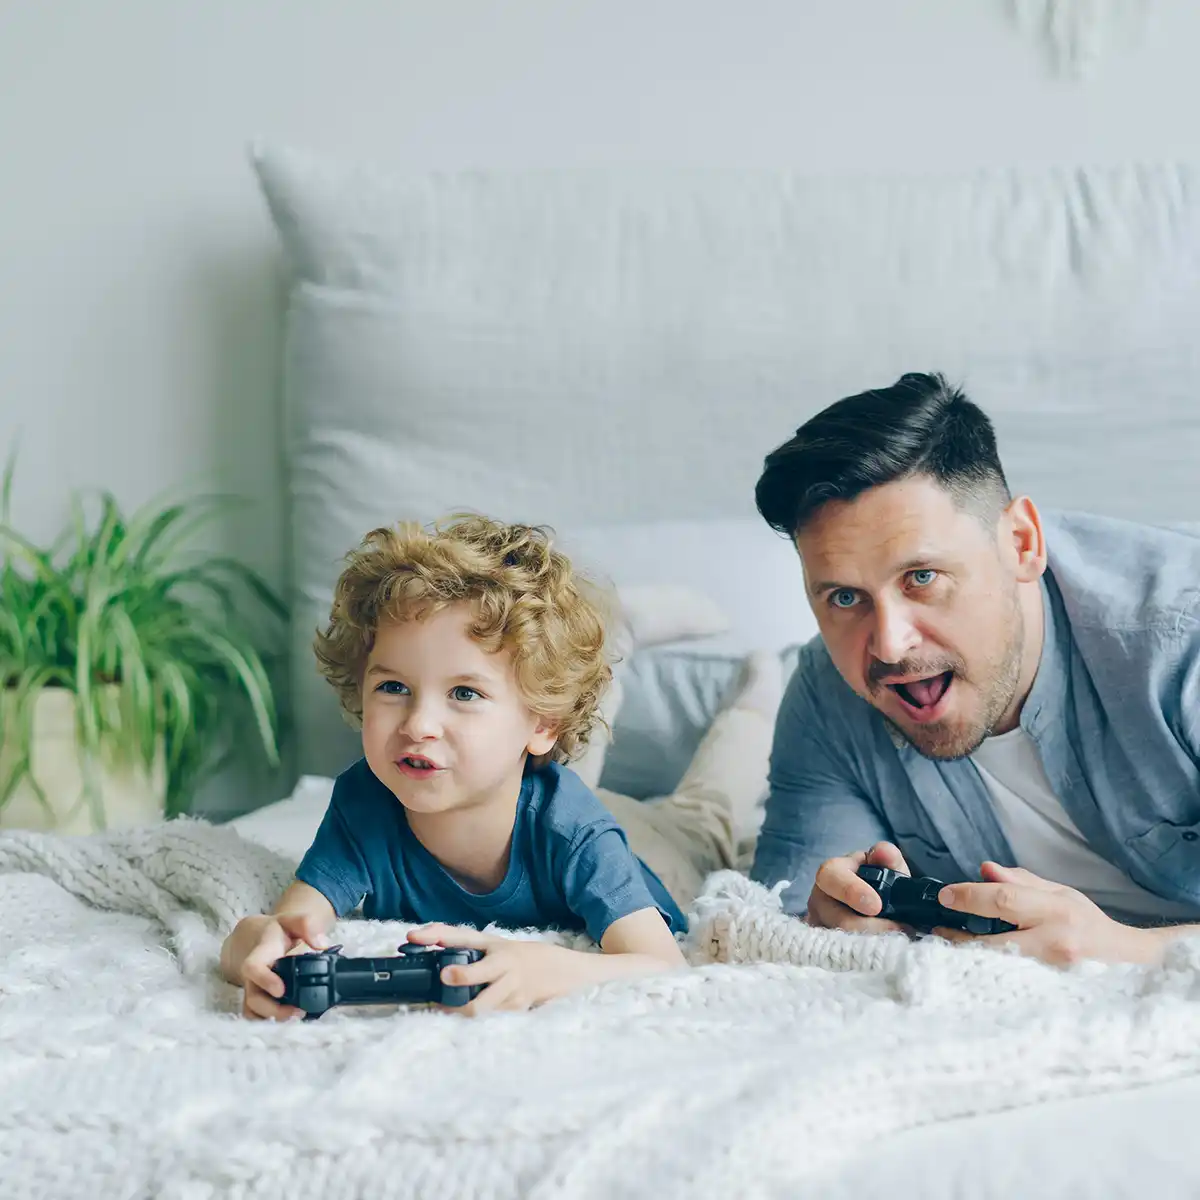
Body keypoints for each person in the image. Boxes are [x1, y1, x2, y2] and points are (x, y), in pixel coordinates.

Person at [220, 515, 781, 1019]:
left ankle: (756, 703)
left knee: (703, 816)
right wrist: (258, 948)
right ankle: (614, 635)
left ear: (543, 726)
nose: (419, 724)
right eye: (393, 687)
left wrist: (543, 968)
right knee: (543, 749)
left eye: (464, 693)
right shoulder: (366, 800)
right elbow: (279, 927)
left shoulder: (575, 831)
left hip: (655, 846)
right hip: (524, 789)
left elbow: (663, 966)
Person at [749, 371, 1200, 967]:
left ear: (1021, 542)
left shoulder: (1179, 637)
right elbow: (782, 930)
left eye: (922, 577)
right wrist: (836, 925)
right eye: (845, 597)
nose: (890, 646)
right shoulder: (827, 695)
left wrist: (1134, 950)